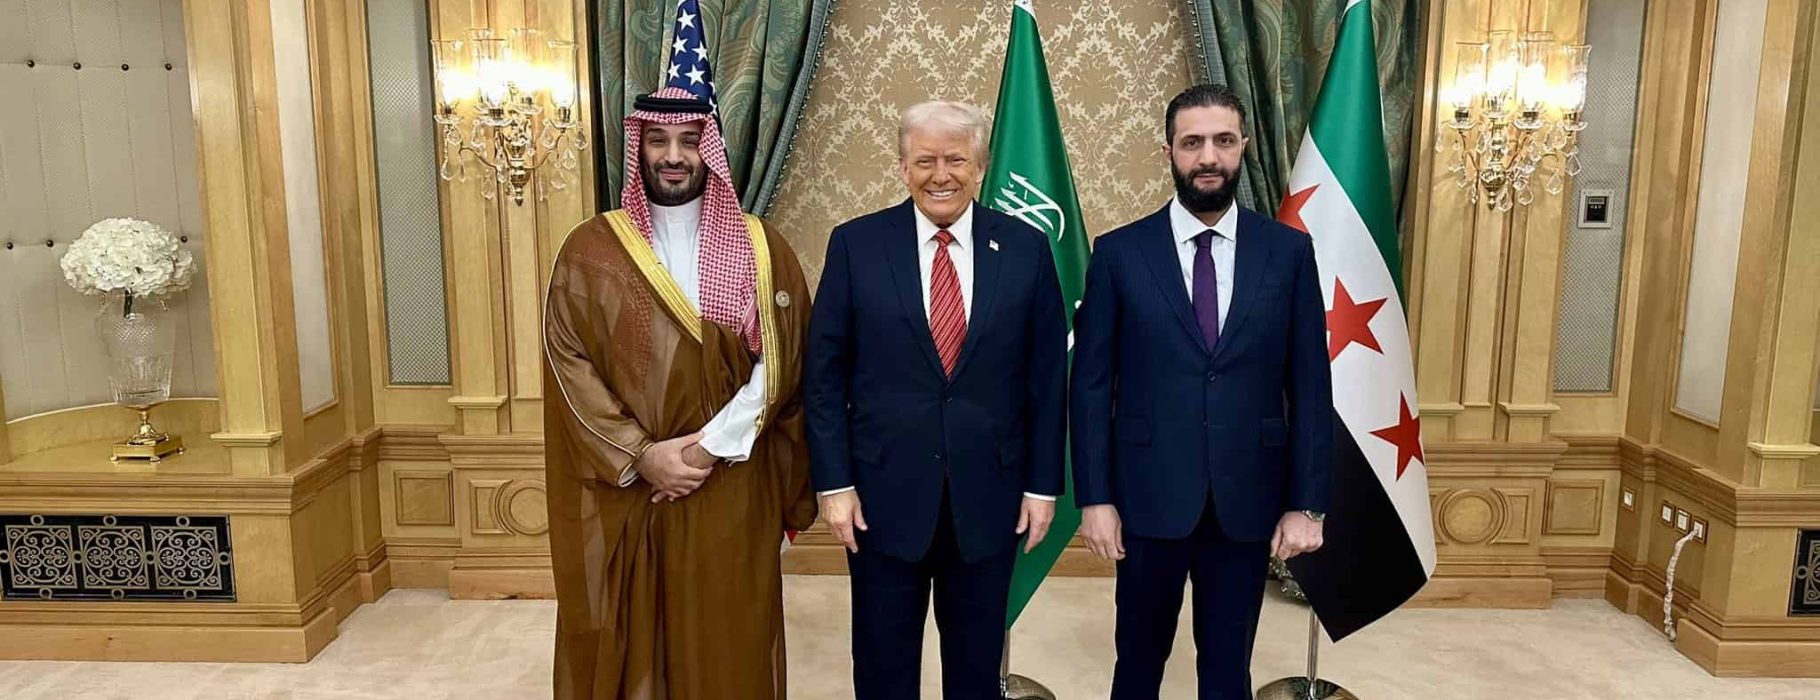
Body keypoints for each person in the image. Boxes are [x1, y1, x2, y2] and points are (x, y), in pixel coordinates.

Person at [541, 86, 817, 699]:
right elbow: (568, 363)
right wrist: (644, 454)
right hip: (631, 488)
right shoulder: (591, 249)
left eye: (690, 142)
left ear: (709, 152)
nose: (673, 156)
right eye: (658, 141)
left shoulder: (761, 247)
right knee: (629, 629)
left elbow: (783, 362)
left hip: (729, 482)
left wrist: (701, 451)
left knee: (729, 633)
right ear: (637, 147)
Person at [1069, 83, 1333, 699]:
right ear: (1169, 152)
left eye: (1221, 141)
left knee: (1226, 669)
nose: (1207, 157)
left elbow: (1311, 384)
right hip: (1146, 499)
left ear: (1243, 148)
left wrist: (1307, 502)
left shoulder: (1288, 253)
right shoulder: (1118, 254)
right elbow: (1090, 387)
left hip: (1247, 500)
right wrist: (1095, 498)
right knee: (1136, 663)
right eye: (1192, 143)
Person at [805, 100, 1068, 699]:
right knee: (882, 665)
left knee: (976, 671)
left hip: (989, 498)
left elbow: (1047, 379)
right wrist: (834, 485)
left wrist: (1041, 486)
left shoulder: (1025, 248)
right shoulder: (856, 245)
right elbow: (824, 378)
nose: (940, 174)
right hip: (880, 500)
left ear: (980, 166)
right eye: (924, 160)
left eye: (956, 159)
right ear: (902, 167)